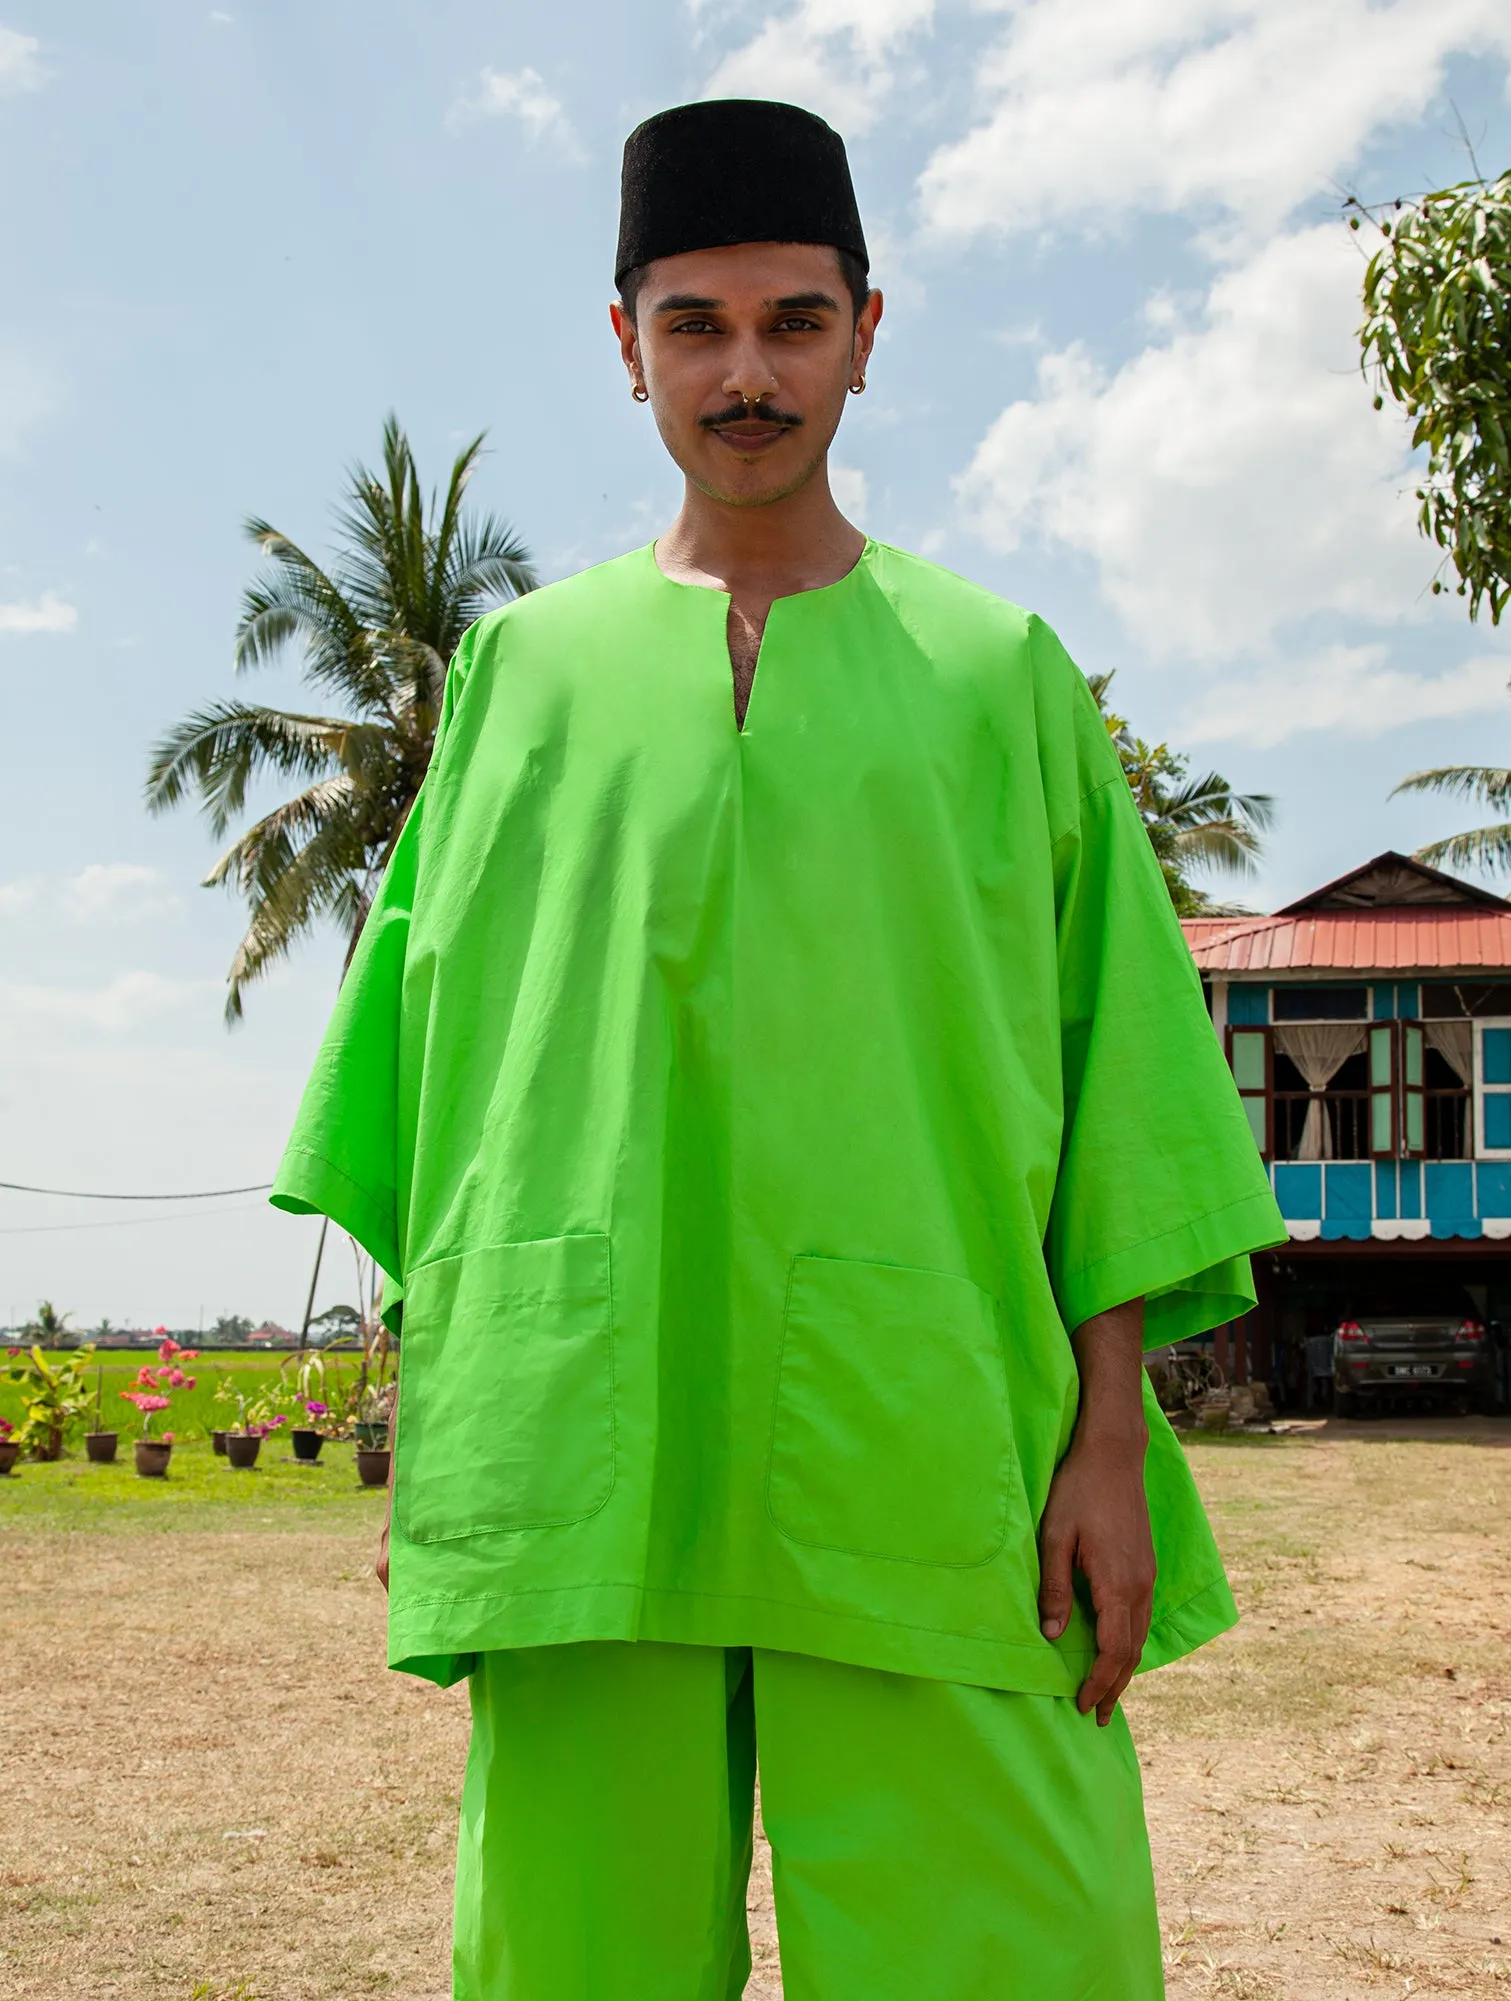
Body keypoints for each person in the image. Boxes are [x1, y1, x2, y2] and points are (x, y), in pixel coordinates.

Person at [273, 97, 1286, 2001]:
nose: (747, 376)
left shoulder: (1002, 676)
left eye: (794, 324)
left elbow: (1115, 1079)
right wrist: (467, 1423)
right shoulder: (518, 676)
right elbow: (432, 1081)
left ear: (867, 332)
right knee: (573, 1964)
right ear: (628, 341)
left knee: (1006, 1952)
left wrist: (1104, 1441)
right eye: (698, 326)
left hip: (932, 1429)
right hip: (597, 1428)